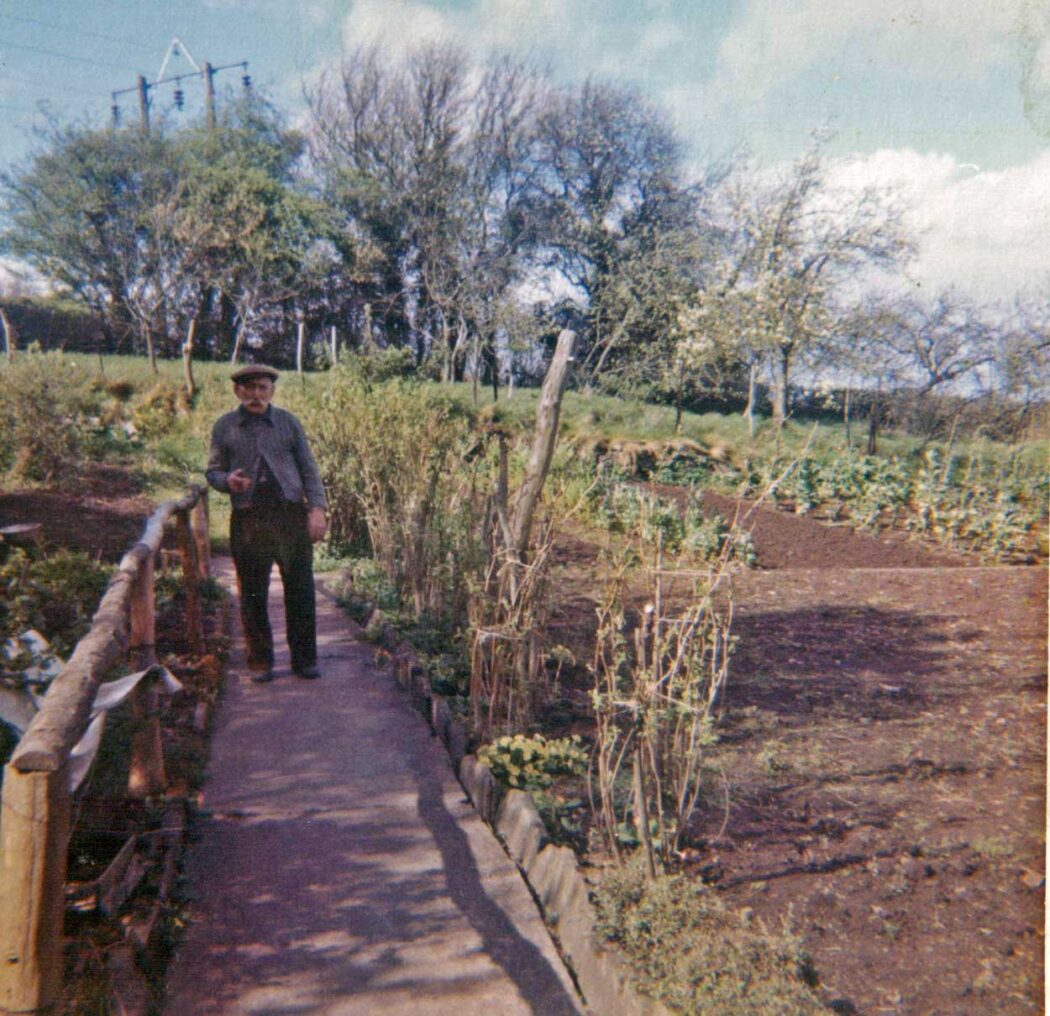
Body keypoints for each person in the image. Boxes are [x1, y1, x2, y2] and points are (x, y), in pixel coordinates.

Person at [206, 364, 328, 683]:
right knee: (252, 593)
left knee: (300, 590)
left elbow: (308, 469)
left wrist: (317, 510)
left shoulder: (288, 423)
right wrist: (226, 480)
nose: (256, 395)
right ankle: (260, 661)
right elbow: (213, 471)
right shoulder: (225, 427)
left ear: (272, 391)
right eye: (249, 389)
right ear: (238, 391)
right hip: (248, 519)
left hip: (289, 516)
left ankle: (305, 660)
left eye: (262, 388)